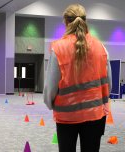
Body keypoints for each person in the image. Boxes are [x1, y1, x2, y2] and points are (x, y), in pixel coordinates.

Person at [43, 4, 112, 152]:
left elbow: (50, 88)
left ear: (66, 22)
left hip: (67, 116)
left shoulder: (59, 49)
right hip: (95, 114)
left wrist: (50, 104)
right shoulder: (102, 48)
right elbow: (108, 85)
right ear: (85, 21)